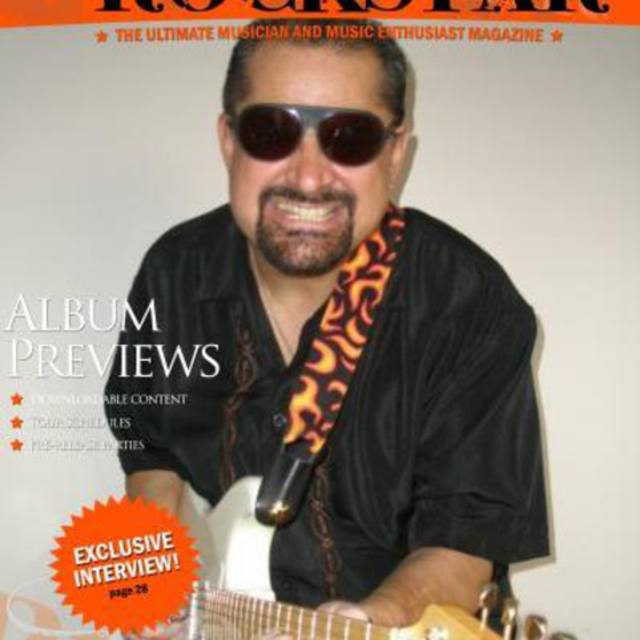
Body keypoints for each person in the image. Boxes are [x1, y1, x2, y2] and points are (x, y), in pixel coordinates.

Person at [105, 18, 549, 631]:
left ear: (395, 154)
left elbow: (467, 537)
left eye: (350, 137)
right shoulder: (173, 273)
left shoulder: (469, 305)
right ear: (229, 141)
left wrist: (372, 617)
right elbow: (150, 450)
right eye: (271, 131)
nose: (309, 177)